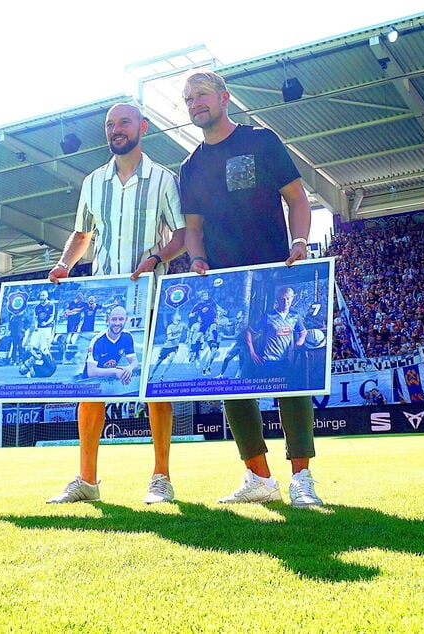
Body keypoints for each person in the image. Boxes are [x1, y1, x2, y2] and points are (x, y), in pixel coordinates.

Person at [179, 70, 323, 508]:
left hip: (274, 272)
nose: (194, 103)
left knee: (289, 374)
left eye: (201, 94)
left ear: (225, 97)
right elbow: (194, 229)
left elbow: (297, 199)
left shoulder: (261, 141)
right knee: (234, 378)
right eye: (187, 98)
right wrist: (197, 258)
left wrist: (299, 242)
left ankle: (302, 478)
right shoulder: (190, 166)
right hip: (226, 285)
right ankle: (258, 477)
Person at [46, 102, 186, 505]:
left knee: (155, 390)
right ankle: (86, 480)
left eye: (124, 122)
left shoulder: (164, 179)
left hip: (151, 293)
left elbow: (180, 234)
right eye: (110, 125)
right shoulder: (92, 182)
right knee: (91, 389)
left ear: (142, 127)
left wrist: (157, 258)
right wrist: (63, 264)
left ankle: (161, 477)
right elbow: (81, 234)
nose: (116, 129)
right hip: (104, 297)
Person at [244, 285, 307, 384]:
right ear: (277, 300)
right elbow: (249, 331)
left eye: (288, 299)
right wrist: (252, 353)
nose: (285, 302)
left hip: (286, 361)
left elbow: (303, 332)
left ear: (292, 299)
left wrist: (300, 341)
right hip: (269, 361)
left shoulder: (295, 316)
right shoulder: (269, 316)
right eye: (282, 299)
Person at [150, 312, 187, 381]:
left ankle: (162, 375)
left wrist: (188, 338)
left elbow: (188, 328)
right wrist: (177, 336)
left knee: (170, 360)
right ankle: (151, 375)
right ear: (174, 318)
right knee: (158, 362)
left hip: (175, 347)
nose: (179, 316)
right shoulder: (170, 327)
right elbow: (169, 338)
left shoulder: (182, 325)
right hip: (167, 347)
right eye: (178, 315)